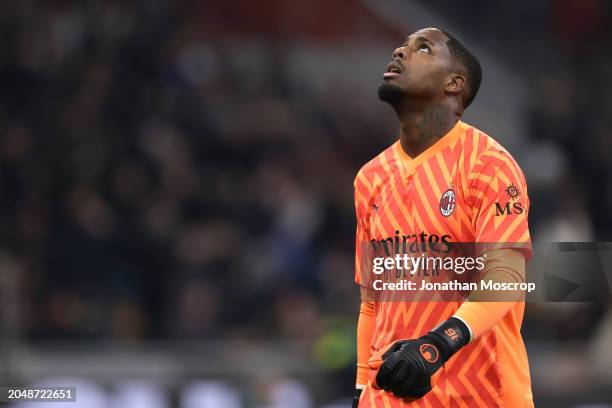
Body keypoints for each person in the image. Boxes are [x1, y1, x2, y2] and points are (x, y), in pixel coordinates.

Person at [352, 28, 533, 407]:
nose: (401, 50)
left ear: (454, 83)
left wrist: (437, 345)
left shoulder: (489, 165)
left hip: (481, 396)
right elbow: (372, 300)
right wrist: (360, 387)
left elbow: (506, 280)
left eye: (423, 48)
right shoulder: (370, 178)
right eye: (402, 45)